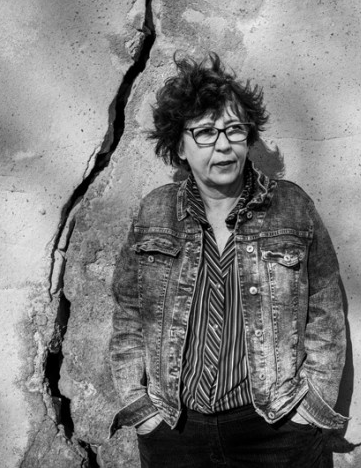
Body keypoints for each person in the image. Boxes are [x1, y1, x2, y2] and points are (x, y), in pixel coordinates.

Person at [108, 53, 348, 467]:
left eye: (234, 129)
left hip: (277, 429)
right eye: (205, 132)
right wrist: (141, 409)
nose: (222, 144)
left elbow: (324, 308)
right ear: (179, 146)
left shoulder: (291, 207)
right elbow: (129, 312)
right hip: (174, 432)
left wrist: (311, 408)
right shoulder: (155, 213)